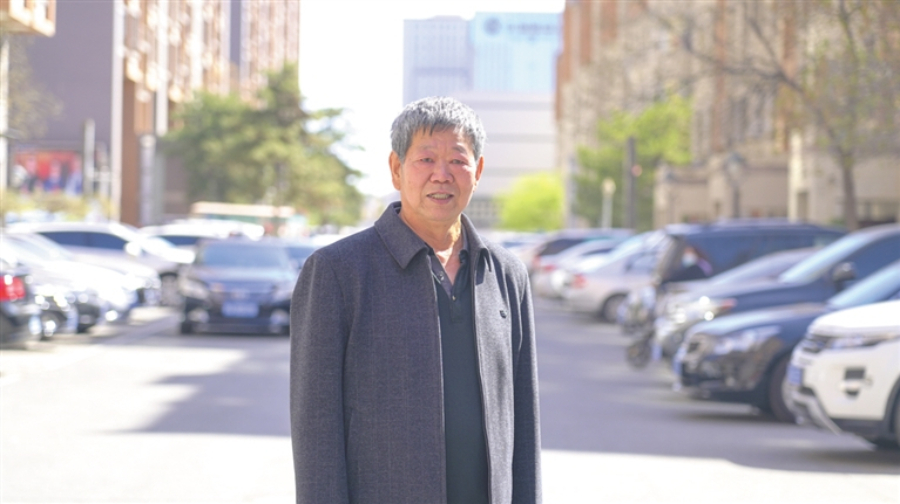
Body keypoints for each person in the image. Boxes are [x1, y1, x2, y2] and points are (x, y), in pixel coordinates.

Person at [289, 97, 541, 504]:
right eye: (426, 159)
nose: (442, 175)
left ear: (477, 171)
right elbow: (315, 429)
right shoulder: (337, 272)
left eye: (457, 161)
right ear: (396, 168)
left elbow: (524, 423)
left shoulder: (507, 274)